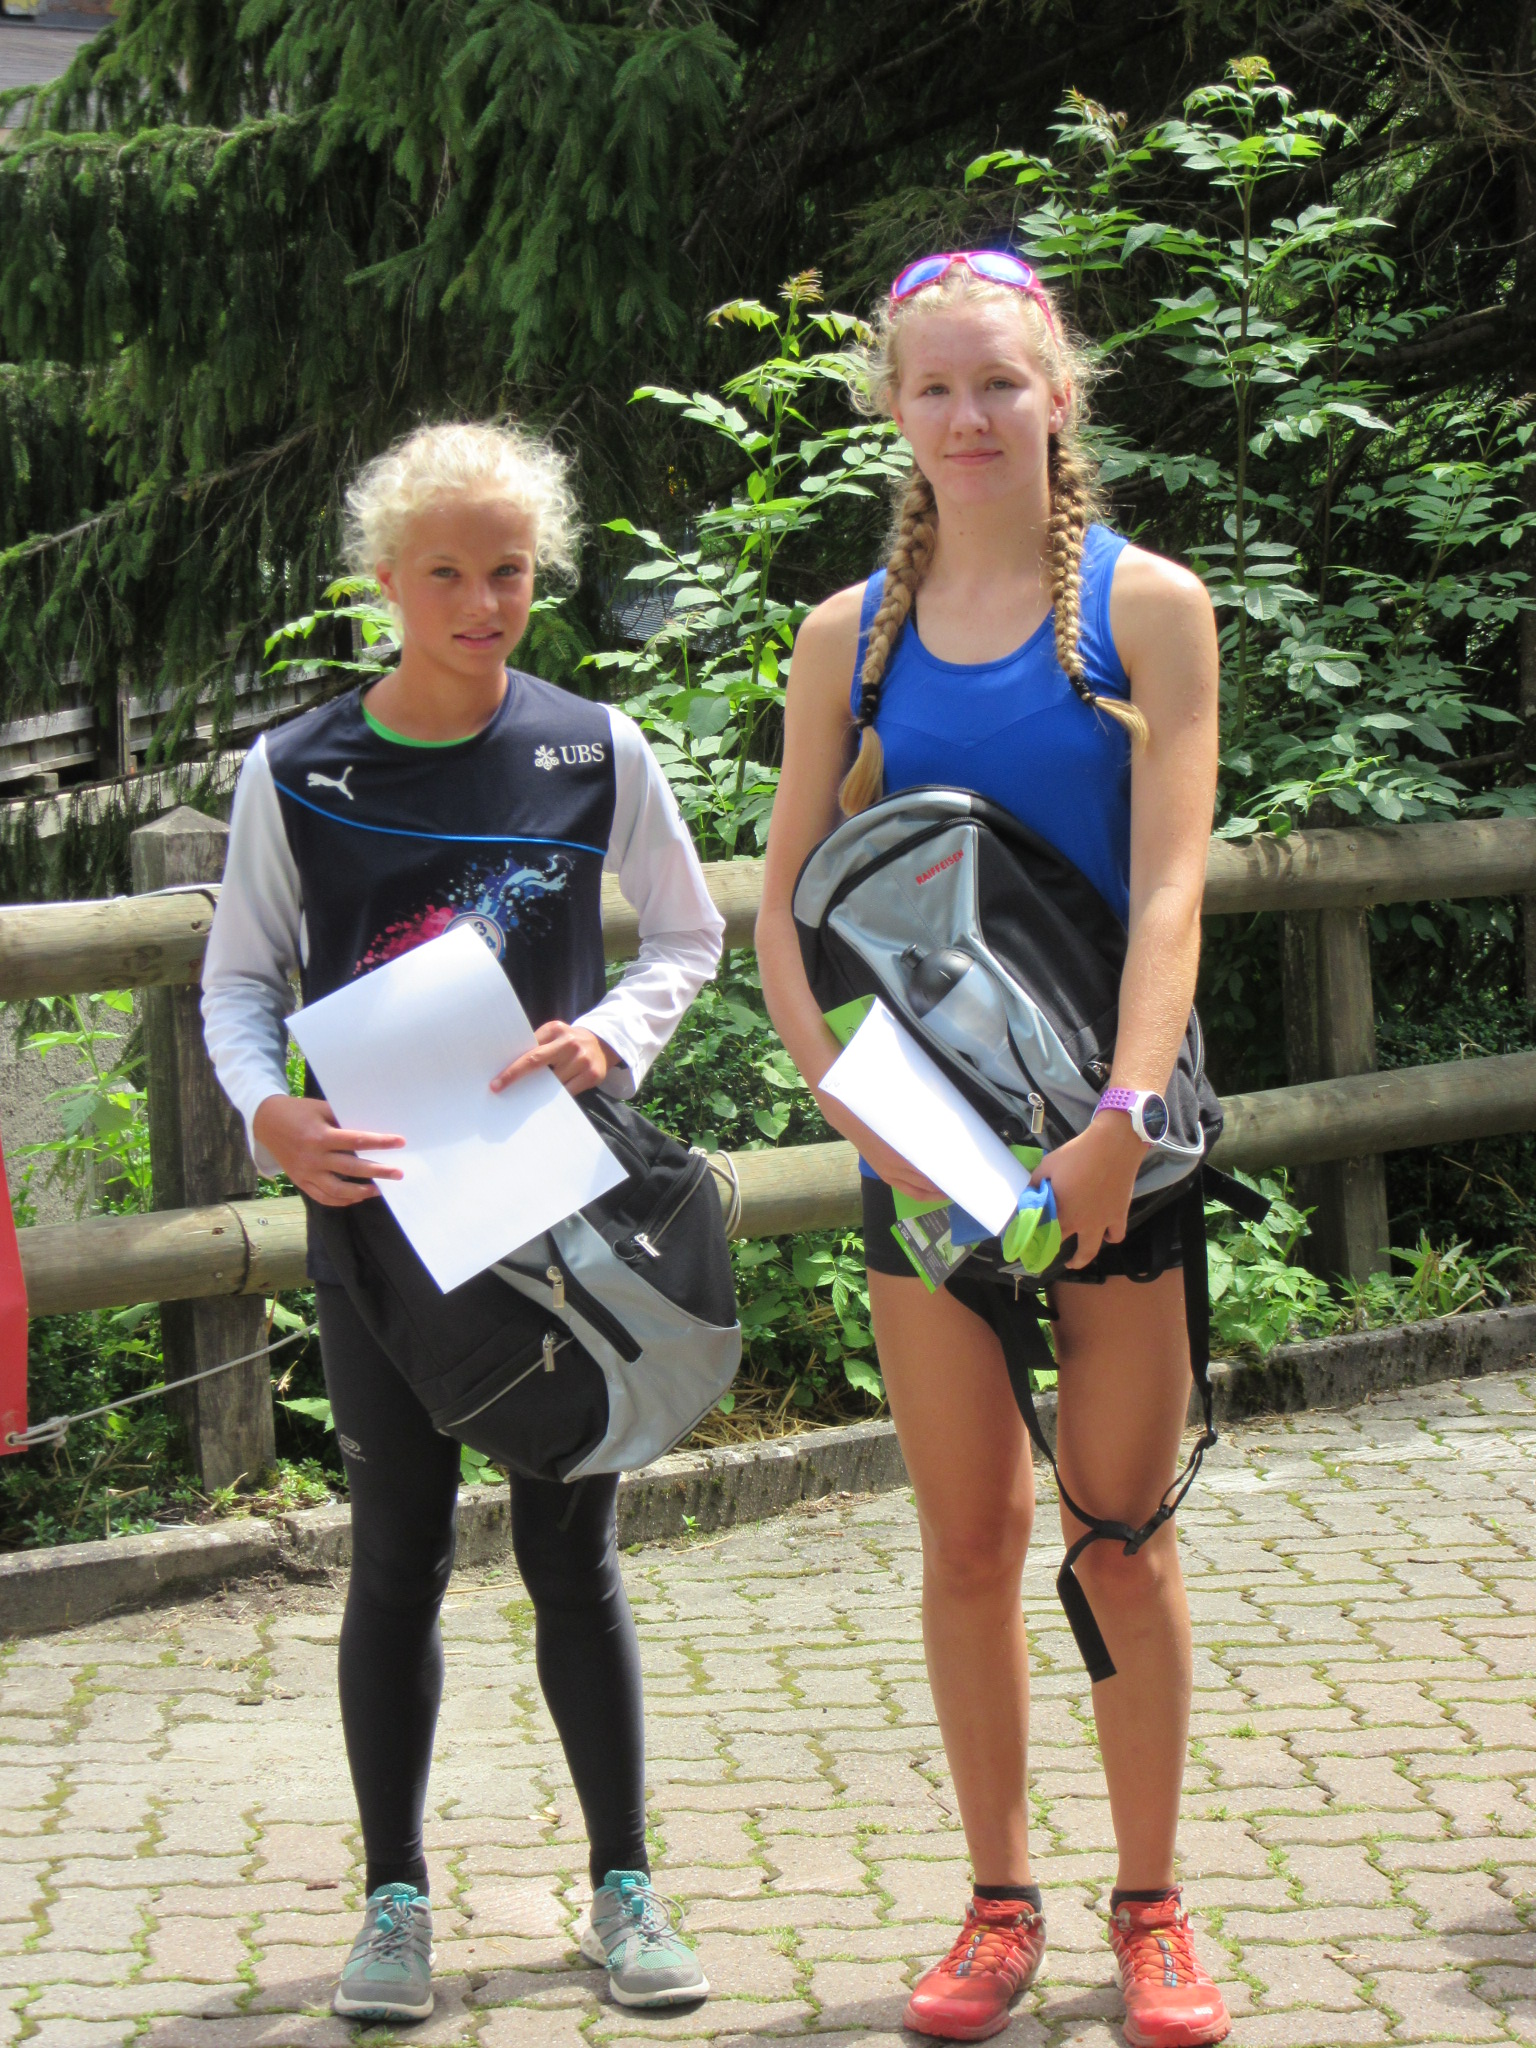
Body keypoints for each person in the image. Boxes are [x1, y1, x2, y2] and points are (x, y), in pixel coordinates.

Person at [755, 251, 1229, 2048]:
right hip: (926, 1156)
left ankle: (1152, 1911)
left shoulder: (1147, 611)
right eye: (936, 387)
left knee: (1119, 1537)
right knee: (968, 1542)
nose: (969, 416)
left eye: (1000, 383)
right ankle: (997, 1905)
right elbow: (788, 903)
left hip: (1118, 1147)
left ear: (1058, 395)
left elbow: (1172, 891)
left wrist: (1117, 1122)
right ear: (895, 409)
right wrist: (848, 1101)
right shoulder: (849, 639)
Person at [202, 422, 724, 2025]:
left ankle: (623, 1885)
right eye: (447, 573)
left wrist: (610, 1040)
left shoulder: (593, 747)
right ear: (385, 580)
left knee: (575, 1560)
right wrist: (270, 1115)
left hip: (555, 1229)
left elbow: (687, 937)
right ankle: (394, 1903)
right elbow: (238, 983)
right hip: (379, 1235)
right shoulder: (296, 770)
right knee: (397, 1564)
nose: (483, 603)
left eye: (509, 572)